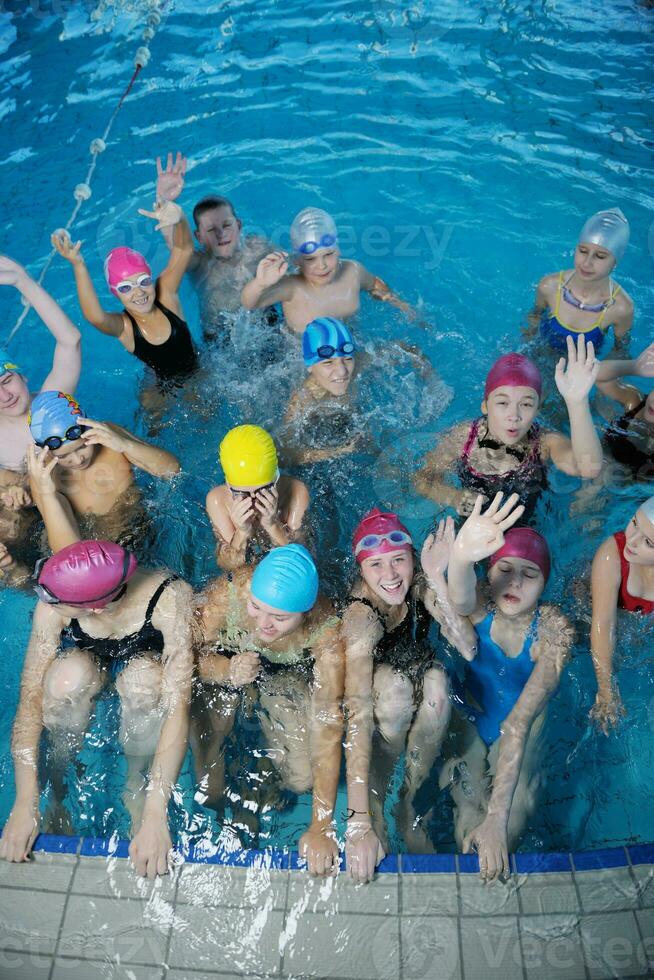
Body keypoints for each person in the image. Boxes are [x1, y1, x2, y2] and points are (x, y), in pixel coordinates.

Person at [0, 539, 194, 879]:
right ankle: (59, 786)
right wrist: (25, 800)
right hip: (87, 655)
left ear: (96, 609)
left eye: (55, 600)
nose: (44, 601)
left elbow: (179, 706)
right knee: (64, 681)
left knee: (144, 684)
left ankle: (135, 781)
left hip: (145, 653)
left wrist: (155, 813)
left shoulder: (171, 599)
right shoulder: (52, 609)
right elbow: (31, 695)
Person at [193, 544, 345, 876]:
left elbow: (328, 718)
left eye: (279, 617)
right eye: (256, 608)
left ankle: (263, 765)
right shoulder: (228, 594)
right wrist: (226, 670)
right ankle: (241, 779)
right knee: (208, 790)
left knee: (302, 779)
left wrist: (322, 825)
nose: (263, 624)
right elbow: (186, 656)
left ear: (305, 613)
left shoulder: (325, 630)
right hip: (226, 662)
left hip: (284, 678)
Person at [444, 493, 573, 880]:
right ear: (489, 572)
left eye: (530, 574)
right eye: (504, 569)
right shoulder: (482, 604)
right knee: (468, 820)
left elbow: (517, 724)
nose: (515, 582)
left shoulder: (554, 631)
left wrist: (497, 821)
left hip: (523, 727)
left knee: (511, 818)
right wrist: (461, 558)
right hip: (471, 717)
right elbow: (460, 594)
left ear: (545, 582)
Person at [342, 509, 471, 881]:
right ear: (361, 571)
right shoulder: (360, 616)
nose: (391, 575)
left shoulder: (420, 583)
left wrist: (435, 576)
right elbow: (358, 713)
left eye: (399, 560)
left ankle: (410, 801)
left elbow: (467, 646)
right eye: (376, 565)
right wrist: (358, 824)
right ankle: (378, 801)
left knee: (438, 690)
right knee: (397, 692)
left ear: (413, 558)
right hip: (384, 692)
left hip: (421, 668)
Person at [415, 337, 603, 522]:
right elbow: (422, 480)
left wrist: (577, 402)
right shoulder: (462, 439)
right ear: (485, 406)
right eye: (503, 402)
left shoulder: (545, 443)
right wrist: (452, 497)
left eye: (526, 404)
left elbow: (588, 469)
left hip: (529, 528)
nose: (514, 415)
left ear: (537, 410)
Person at [51, 200, 197, 389]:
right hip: (159, 387)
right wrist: (78, 265)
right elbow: (95, 317)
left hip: (196, 371)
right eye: (126, 287)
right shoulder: (125, 327)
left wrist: (180, 218)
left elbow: (183, 250)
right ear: (114, 293)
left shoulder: (166, 296)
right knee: (152, 415)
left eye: (144, 281)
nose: (139, 291)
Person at [0, 256, 81, 582]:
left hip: (73, 496)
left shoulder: (50, 401)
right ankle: (17, 577)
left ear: (23, 376)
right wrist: (7, 492)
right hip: (27, 509)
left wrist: (23, 281)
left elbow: (70, 340)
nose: (4, 396)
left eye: (7, 382)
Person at [26, 390, 180, 552]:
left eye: (82, 446)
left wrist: (126, 445)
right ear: (47, 451)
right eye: (64, 456)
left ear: (88, 426)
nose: (78, 460)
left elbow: (173, 470)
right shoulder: (43, 475)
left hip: (143, 526)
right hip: (99, 554)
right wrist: (47, 494)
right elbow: (67, 554)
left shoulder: (109, 435)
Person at [154, 151, 278, 336]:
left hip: (266, 323)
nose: (221, 234)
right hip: (221, 338)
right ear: (199, 237)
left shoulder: (257, 246)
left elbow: (296, 264)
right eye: (211, 230)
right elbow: (177, 247)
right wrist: (163, 201)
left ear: (238, 225)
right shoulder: (199, 264)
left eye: (227, 225)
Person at [241, 207, 415, 334]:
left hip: (346, 352)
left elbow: (374, 283)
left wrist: (397, 303)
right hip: (304, 362)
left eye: (329, 254)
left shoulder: (352, 271)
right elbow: (250, 303)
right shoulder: (292, 287)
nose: (322, 265)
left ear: (338, 250)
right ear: (298, 260)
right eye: (310, 259)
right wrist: (260, 283)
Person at [589, 498, 654, 734]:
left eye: (648, 541)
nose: (631, 539)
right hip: (591, 609)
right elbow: (603, 623)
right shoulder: (611, 554)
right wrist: (606, 689)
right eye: (634, 523)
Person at [206, 424, 309, 570]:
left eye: (263, 490)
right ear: (229, 485)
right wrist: (242, 532)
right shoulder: (218, 500)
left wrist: (272, 525)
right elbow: (226, 566)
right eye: (242, 493)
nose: (254, 501)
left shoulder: (297, 491)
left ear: (276, 478)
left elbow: (302, 564)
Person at [533, 208, 633, 355]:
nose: (586, 263)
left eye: (600, 256)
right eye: (583, 251)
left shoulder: (621, 308)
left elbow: (620, 352)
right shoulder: (549, 286)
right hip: (541, 353)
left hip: (581, 373)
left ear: (615, 261)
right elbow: (532, 322)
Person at [593, 342, 654, 481]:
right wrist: (635, 367)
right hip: (603, 462)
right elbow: (595, 374)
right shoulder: (634, 401)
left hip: (639, 488)